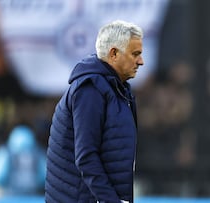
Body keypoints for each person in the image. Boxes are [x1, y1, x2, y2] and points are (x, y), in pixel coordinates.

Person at [45, 20, 144, 203]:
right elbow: (86, 156)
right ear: (113, 53)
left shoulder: (117, 89)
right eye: (135, 54)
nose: (141, 61)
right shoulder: (90, 90)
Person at [0, 125, 46, 196]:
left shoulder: (5, 151)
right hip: (34, 195)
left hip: (8, 195)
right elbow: (44, 175)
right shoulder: (38, 152)